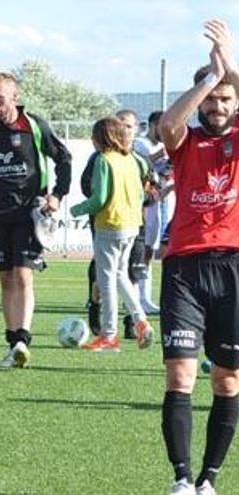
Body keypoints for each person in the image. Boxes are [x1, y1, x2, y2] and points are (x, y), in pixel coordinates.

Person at [158, 19, 239, 495]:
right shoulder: (186, 141)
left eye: (226, 99)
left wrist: (229, 65)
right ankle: (182, 479)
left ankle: (209, 479)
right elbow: (169, 125)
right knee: (180, 373)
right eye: (211, 99)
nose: (217, 106)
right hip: (185, 266)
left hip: (233, 266)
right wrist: (210, 77)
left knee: (227, 381)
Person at [0, 72, 72, 368]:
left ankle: (23, 338)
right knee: (5, 277)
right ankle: (13, 344)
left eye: (0, 98)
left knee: (23, 274)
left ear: (15, 98)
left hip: (29, 212)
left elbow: (64, 158)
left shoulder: (34, 126)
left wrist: (57, 195)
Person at [69, 116, 155, 352]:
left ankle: (109, 336)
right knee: (120, 276)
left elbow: (99, 199)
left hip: (109, 224)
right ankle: (141, 321)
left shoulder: (103, 160)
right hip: (131, 225)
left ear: (101, 138)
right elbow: (141, 193)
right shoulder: (132, 160)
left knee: (106, 280)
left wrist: (77, 209)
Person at [133, 110, 172, 313]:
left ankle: (143, 297)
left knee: (150, 250)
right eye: (162, 126)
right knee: (141, 250)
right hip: (141, 203)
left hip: (157, 202)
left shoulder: (161, 146)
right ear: (152, 125)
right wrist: (168, 152)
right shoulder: (141, 143)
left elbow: (163, 174)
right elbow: (145, 162)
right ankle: (135, 297)